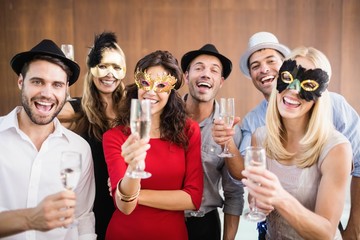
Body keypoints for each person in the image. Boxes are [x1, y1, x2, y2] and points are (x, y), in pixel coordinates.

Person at [216, 46, 353, 239]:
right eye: (288, 79)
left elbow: (326, 232)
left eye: (307, 84)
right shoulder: (261, 136)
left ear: (320, 95)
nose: (293, 90)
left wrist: (280, 198)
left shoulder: (337, 149)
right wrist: (258, 202)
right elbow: (255, 196)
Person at [102, 50, 203, 239]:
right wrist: (133, 169)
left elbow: (193, 198)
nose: (151, 91)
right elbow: (124, 206)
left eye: (161, 85)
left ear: (171, 90)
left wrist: (134, 194)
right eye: (146, 82)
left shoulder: (189, 131)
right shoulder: (114, 137)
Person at [0, 39, 96, 239]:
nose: (47, 93)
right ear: (21, 82)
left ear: (66, 89)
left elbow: (83, 217)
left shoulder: (80, 149)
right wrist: (29, 219)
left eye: (57, 85)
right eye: (37, 81)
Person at [58, 31, 127, 239]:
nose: (109, 74)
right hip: (91, 209)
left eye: (116, 67)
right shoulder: (77, 110)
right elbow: (42, 109)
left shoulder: (131, 111)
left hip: (126, 202)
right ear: (91, 69)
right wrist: (63, 78)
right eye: (103, 66)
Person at [180, 44, 244, 240]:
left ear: (221, 81)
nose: (206, 74)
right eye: (198, 68)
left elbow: (234, 192)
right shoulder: (165, 119)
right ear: (185, 76)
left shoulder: (230, 129)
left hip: (205, 225)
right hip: (164, 221)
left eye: (214, 70)